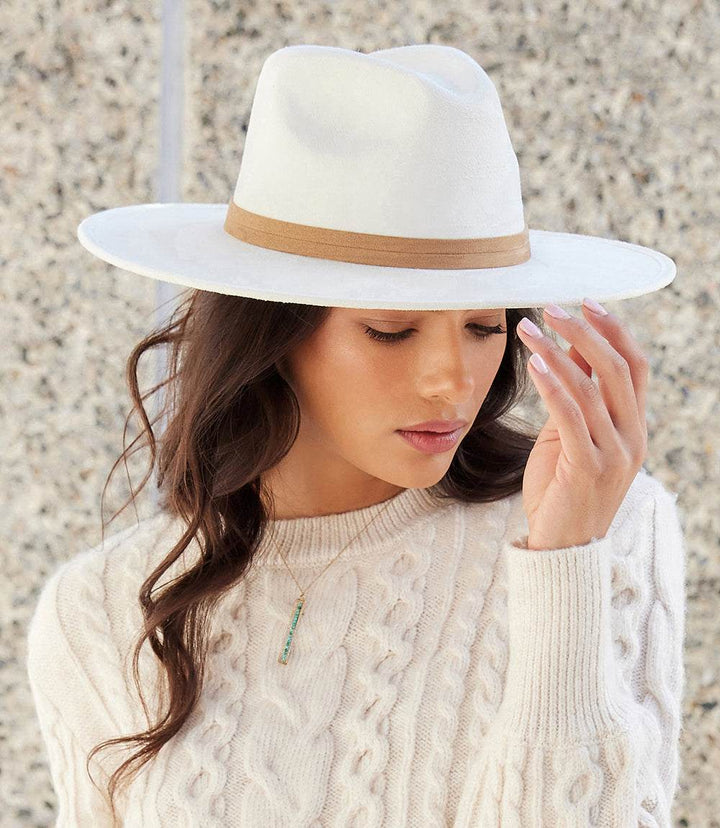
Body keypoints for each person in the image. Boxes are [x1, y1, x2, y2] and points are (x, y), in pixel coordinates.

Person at [26, 43, 686, 826]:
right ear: (274, 332)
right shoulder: (102, 611)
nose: (454, 378)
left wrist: (566, 564)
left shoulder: (603, 531)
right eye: (391, 330)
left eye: (484, 325)